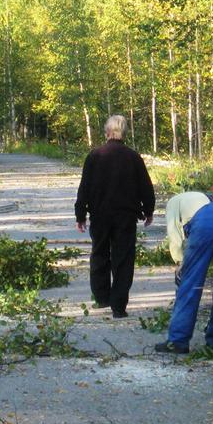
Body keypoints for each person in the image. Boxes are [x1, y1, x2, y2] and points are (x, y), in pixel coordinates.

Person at [75, 115, 155, 318]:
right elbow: (145, 187)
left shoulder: (95, 155)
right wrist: (149, 210)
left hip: (100, 214)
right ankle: (118, 306)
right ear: (124, 132)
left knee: (99, 253)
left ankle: (102, 297)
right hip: (125, 216)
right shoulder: (133, 157)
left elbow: (84, 187)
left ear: (108, 132)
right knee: (123, 258)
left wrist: (80, 214)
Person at [155, 192, 213, 354]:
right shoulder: (208, 198)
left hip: (206, 224)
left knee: (190, 284)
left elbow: (175, 235)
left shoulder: (173, 202)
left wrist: (180, 262)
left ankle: (178, 341)